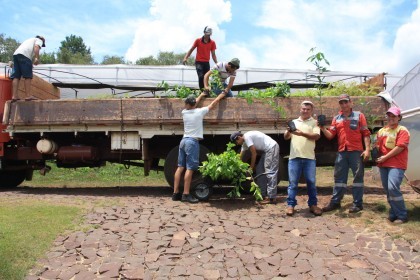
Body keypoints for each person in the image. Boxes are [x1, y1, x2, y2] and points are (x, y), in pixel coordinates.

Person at [319, 93, 371, 213]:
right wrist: (322, 128)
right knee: (339, 178)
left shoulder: (359, 115)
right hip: (342, 152)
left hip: (356, 151)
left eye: (346, 102)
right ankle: (336, 202)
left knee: (358, 178)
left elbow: (366, 133)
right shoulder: (336, 118)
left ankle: (357, 204)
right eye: (341, 102)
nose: (344, 104)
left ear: (350, 102)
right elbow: (330, 136)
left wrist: (367, 149)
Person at [173, 92, 225, 203]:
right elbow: (213, 104)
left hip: (183, 141)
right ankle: (186, 194)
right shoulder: (199, 112)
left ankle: (175, 193)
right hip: (192, 142)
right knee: (190, 168)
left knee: (180, 167)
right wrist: (221, 95)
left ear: (187, 104)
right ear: (194, 104)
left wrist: (201, 95)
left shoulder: (184, 112)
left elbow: (194, 103)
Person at [284, 101, 322, 216]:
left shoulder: (315, 123)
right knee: (293, 183)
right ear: (300, 109)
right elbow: (286, 137)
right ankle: (290, 205)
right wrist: (288, 130)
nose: (305, 111)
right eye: (303, 109)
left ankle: (313, 205)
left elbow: (317, 136)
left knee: (311, 182)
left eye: (308, 109)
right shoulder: (294, 122)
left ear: (311, 111)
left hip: (309, 158)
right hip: (294, 157)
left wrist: (302, 134)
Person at [376, 106, 410, 224]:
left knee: (392, 188)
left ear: (399, 117)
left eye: (394, 116)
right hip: (383, 164)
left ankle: (402, 215)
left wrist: (385, 157)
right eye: (389, 115)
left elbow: (400, 147)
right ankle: (393, 213)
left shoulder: (402, 130)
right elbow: (378, 146)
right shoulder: (381, 131)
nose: (391, 118)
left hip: (397, 164)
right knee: (388, 190)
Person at [230, 130, 279, 204]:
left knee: (270, 171)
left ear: (239, 137)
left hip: (271, 148)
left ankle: (271, 198)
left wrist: (251, 168)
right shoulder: (244, 143)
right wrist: (235, 165)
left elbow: (254, 153)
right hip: (266, 151)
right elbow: (240, 156)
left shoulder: (247, 137)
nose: (236, 144)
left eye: (236, 142)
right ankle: (263, 195)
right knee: (260, 169)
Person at [10, 36, 46, 101]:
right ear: (42, 41)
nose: (41, 47)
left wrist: (29, 64)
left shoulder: (29, 40)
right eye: (42, 45)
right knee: (28, 76)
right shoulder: (39, 40)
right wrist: (37, 58)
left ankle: (14, 96)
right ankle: (28, 96)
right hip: (25, 55)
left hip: (16, 54)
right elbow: (36, 47)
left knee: (16, 76)